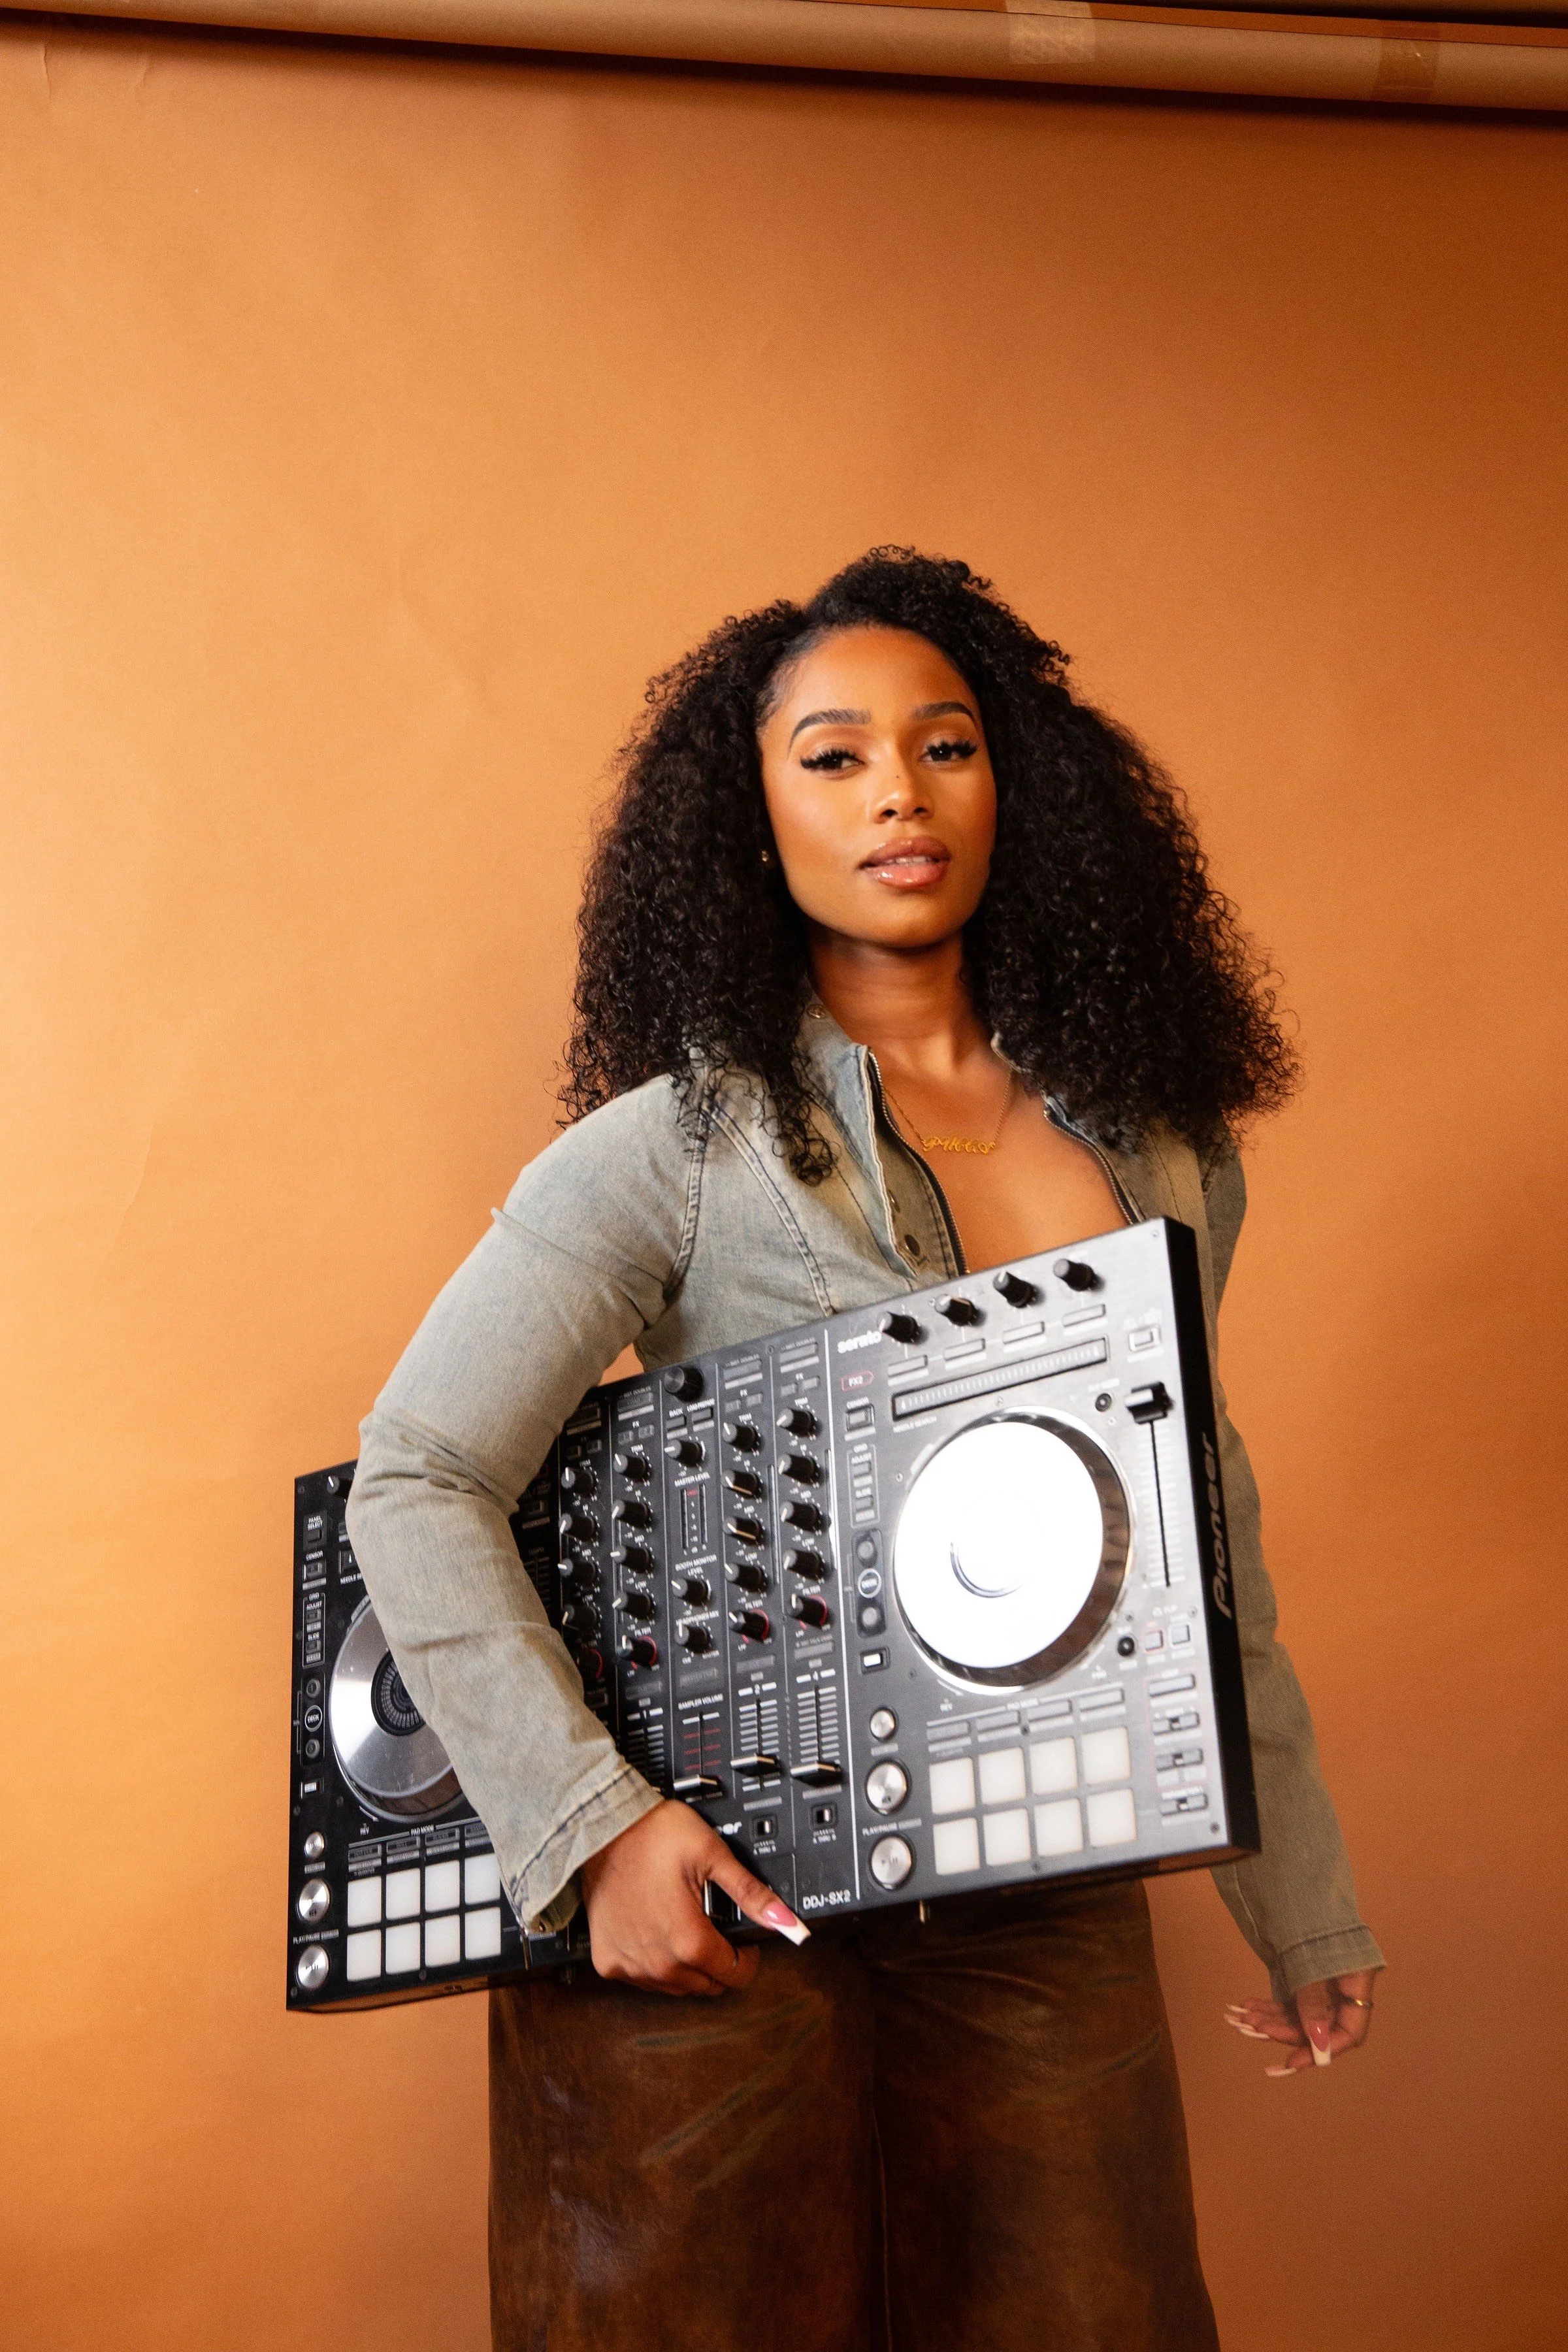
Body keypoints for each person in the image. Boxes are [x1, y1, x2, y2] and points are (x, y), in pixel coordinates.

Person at [348, 548, 1383, 2352]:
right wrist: (595, 1836)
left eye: (946, 745)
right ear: (752, 819)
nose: (897, 791)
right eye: (831, 757)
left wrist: (1297, 1894)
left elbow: (1200, 1533)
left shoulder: (1162, 1150)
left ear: (1019, 792)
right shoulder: (671, 1146)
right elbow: (420, 1478)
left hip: (1041, 1885)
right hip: (720, 1894)